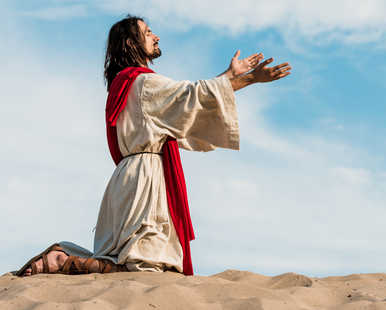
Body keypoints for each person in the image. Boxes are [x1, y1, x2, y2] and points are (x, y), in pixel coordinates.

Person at [16, 15, 291, 276]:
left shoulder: (127, 84)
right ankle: (64, 259)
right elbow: (192, 97)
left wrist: (231, 76)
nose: (156, 36)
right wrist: (251, 78)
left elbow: (187, 101)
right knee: (146, 265)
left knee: (134, 260)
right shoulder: (145, 83)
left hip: (128, 178)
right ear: (131, 43)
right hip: (145, 182)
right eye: (148, 33)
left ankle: (62, 259)